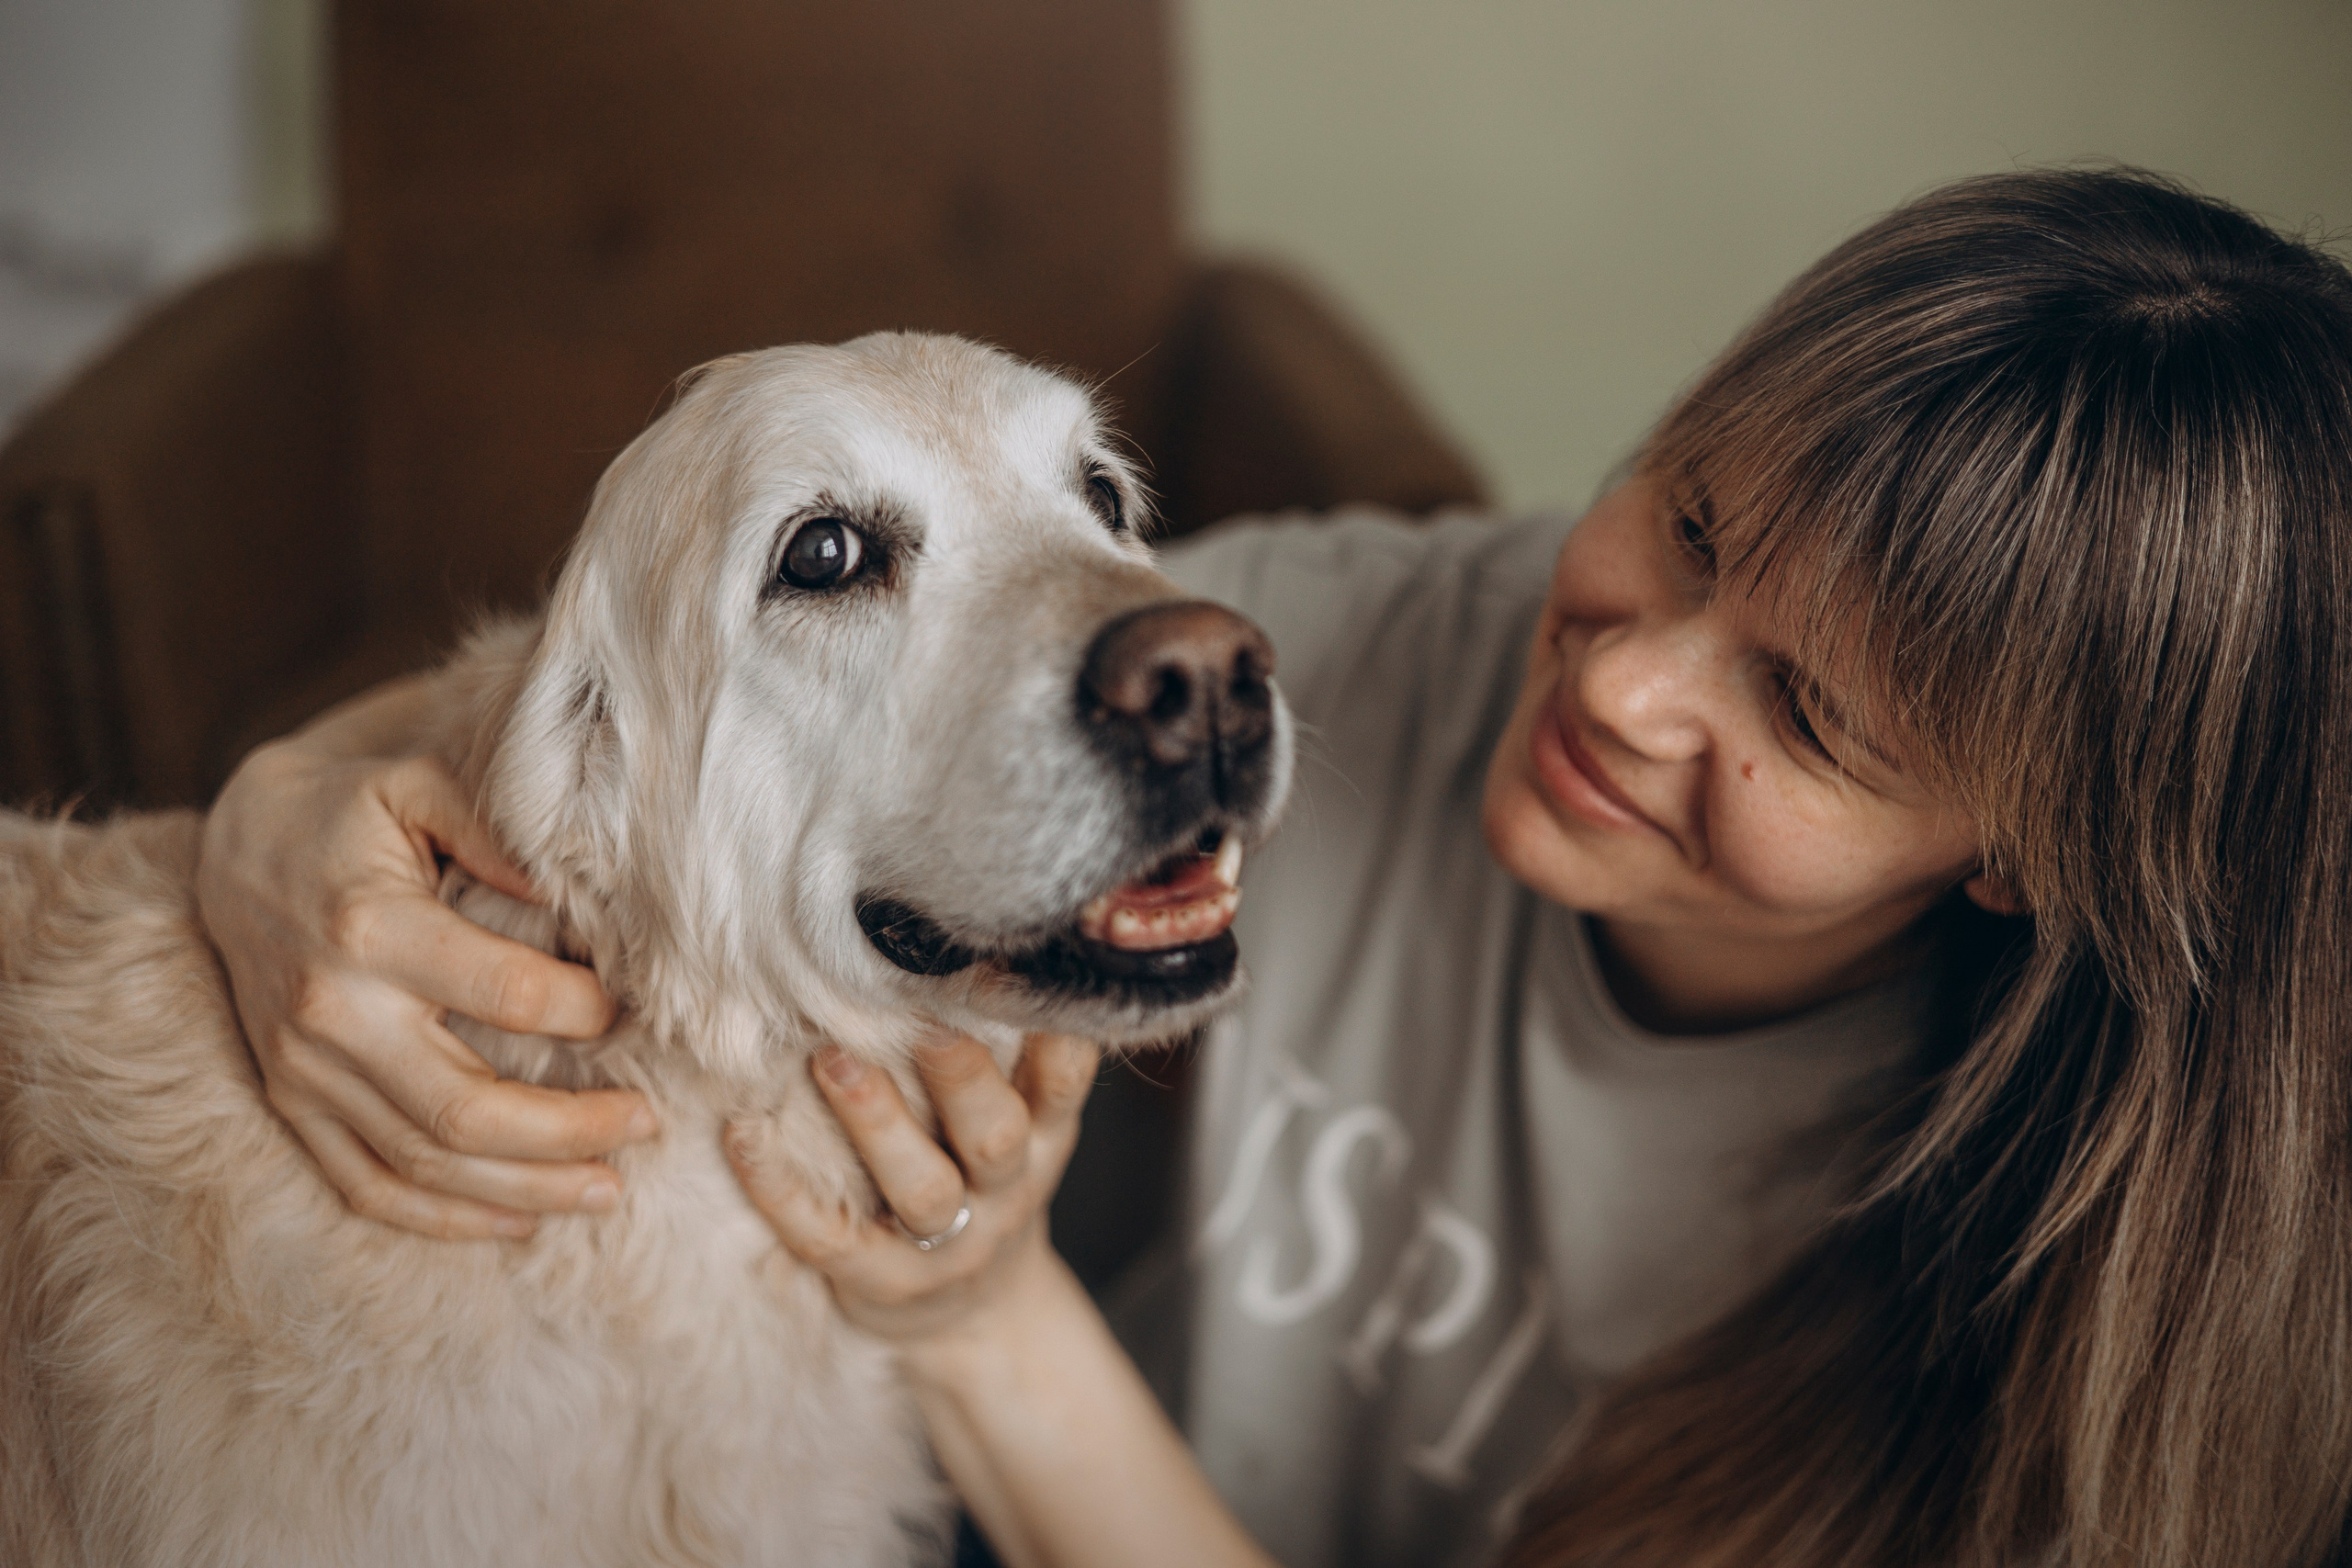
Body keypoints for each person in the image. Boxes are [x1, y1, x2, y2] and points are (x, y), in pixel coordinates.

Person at [196, 168, 2352, 1567]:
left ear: (2023, 859)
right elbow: (791, 697)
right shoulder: (1397, 636)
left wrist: (976, 1305)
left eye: (1808, 719)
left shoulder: (2065, 1342)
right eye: (1688, 519)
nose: (1623, 685)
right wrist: (279, 811)